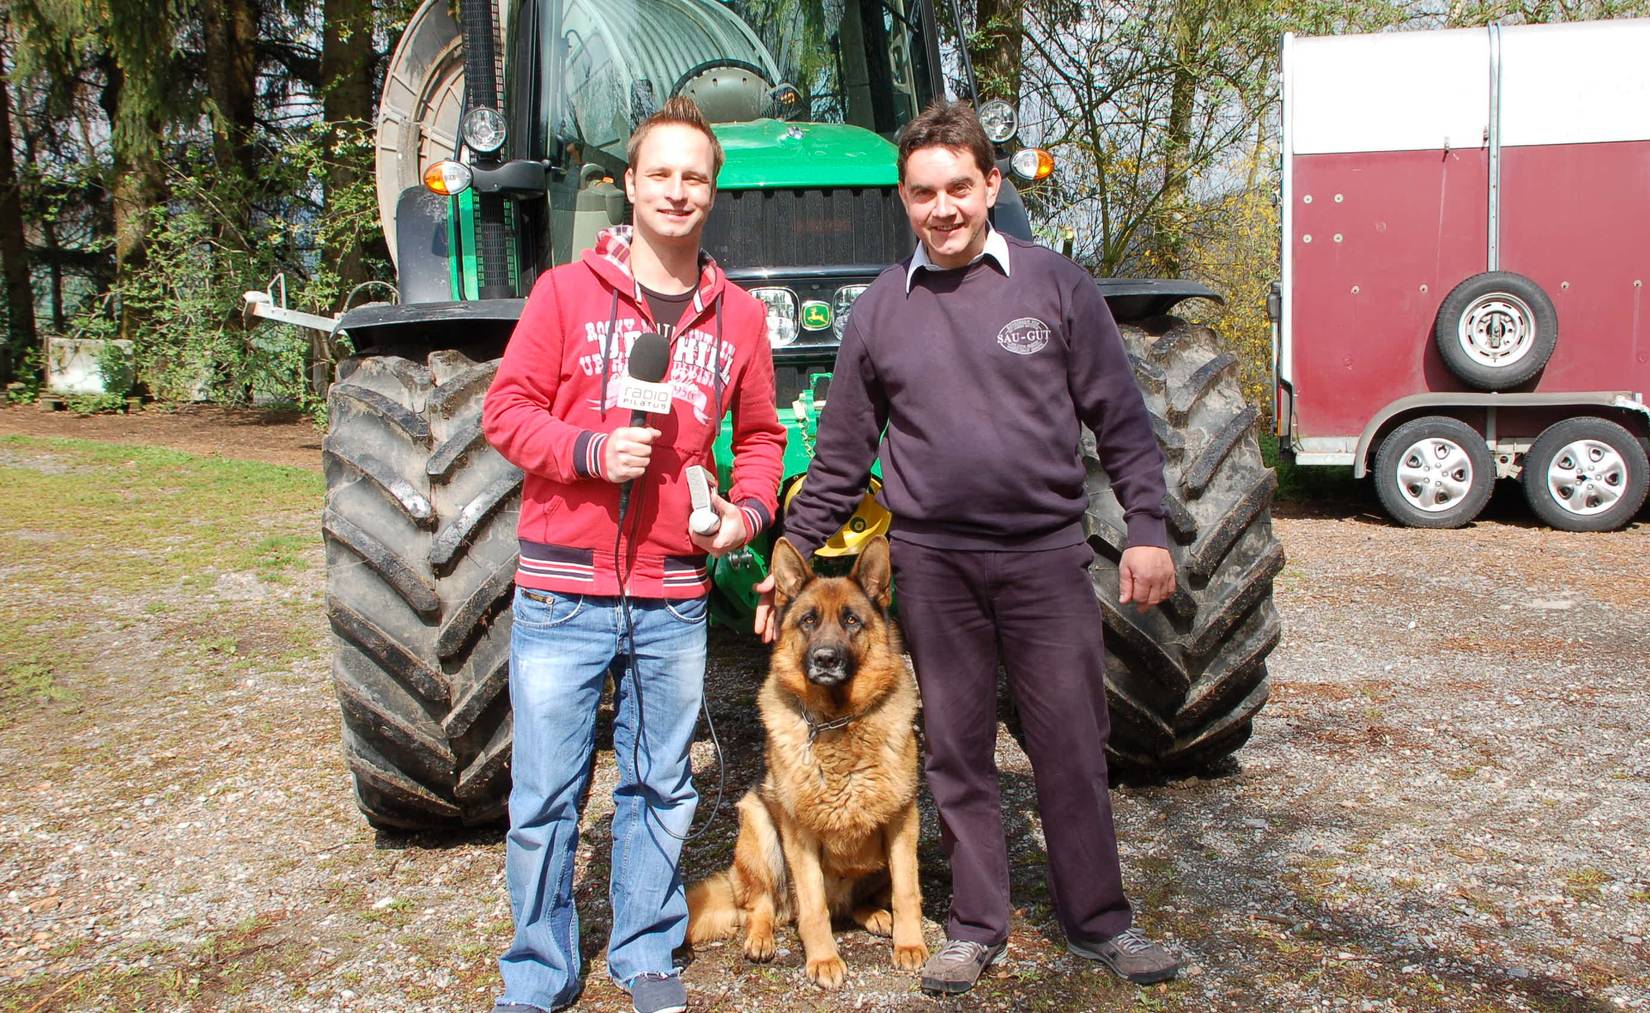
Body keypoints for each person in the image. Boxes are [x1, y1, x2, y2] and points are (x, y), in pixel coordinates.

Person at [761, 100, 1185, 995]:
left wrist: (1146, 527)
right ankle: (974, 924)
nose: (943, 208)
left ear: (992, 184)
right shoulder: (883, 307)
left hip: (1043, 557)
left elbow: (1122, 419)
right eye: (923, 193)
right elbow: (839, 455)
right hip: (935, 566)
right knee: (953, 748)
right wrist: (787, 556)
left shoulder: (1054, 286)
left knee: (1071, 739)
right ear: (903, 201)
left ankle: (1101, 922)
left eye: (960, 186)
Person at [483, 96, 785, 1013]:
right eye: (661, 172)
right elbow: (505, 411)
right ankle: (538, 970)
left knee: (660, 784)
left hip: (671, 591)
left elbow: (765, 436)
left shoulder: (736, 316)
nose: (678, 190)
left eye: (695, 176)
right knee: (543, 798)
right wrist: (584, 450)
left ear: (713, 192)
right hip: (562, 592)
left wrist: (745, 514)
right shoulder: (564, 294)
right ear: (630, 185)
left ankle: (645, 951)